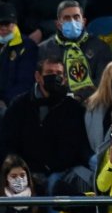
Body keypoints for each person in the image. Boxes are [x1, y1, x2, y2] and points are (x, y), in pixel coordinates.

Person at [0, 55, 91, 194]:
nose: (54, 77)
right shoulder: (19, 105)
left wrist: (53, 167)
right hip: (25, 172)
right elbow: (8, 142)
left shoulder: (74, 108)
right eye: (49, 72)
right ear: (38, 76)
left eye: (59, 73)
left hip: (61, 173)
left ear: (65, 79)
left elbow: (76, 145)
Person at [39, 0, 112, 100]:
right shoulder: (44, 49)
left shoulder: (101, 47)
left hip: (93, 101)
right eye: (67, 18)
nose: (72, 22)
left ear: (84, 22)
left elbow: (104, 81)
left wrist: (80, 97)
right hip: (56, 101)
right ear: (58, 24)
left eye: (76, 17)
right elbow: (42, 82)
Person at [0, 3, 37, 113]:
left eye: (7, 24)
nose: (3, 28)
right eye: (0, 24)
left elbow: (26, 83)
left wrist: (5, 100)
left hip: (12, 106)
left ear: (15, 23)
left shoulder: (27, 47)